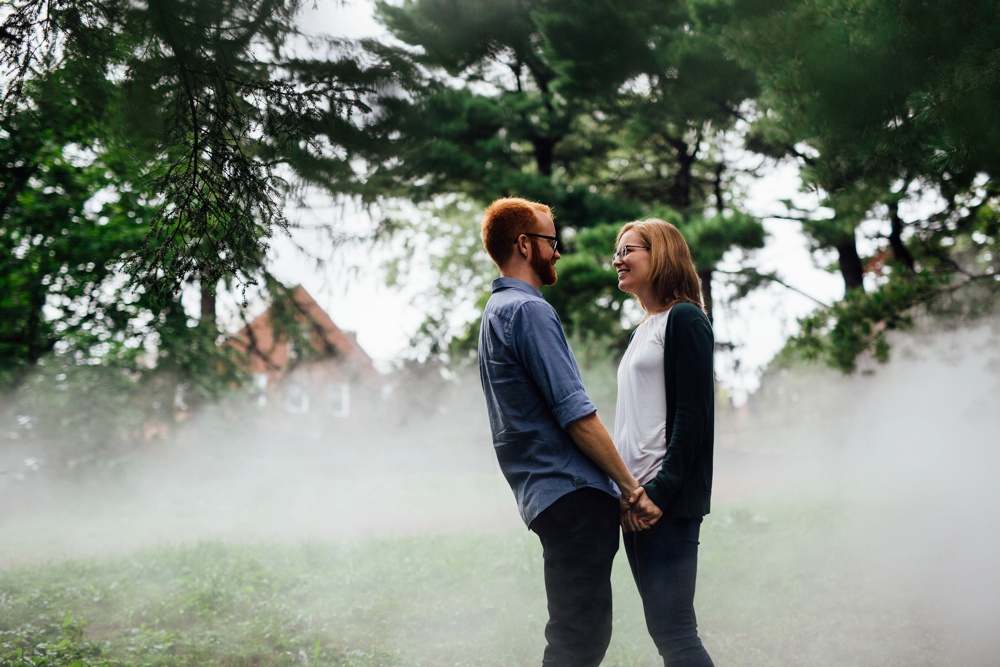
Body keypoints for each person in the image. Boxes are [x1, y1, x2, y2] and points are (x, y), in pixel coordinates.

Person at [477, 197, 658, 667]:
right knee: (579, 640)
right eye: (551, 241)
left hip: (543, 496)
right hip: (574, 495)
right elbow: (575, 413)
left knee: (575, 635)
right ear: (524, 243)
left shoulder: (494, 313)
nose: (558, 252)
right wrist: (630, 485)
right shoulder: (529, 312)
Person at [613, 218, 716, 666]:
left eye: (628, 249)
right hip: (637, 502)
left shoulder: (686, 320)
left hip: (665, 502)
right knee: (664, 631)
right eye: (616, 252)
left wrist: (659, 493)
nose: (618, 259)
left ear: (661, 255)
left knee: (676, 633)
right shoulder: (642, 330)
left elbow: (694, 417)